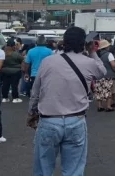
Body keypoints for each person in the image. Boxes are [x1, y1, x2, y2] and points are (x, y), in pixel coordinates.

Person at [29, 27, 106, 176]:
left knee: (43, 168)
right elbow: (102, 72)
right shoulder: (89, 63)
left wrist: (32, 112)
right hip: (76, 120)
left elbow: (35, 91)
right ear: (84, 43)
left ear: (64, 42)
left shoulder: (48, 62)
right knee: (73, 170)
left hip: (49, 120)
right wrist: (92, 51)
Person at [95, 40, 115, 112]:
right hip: (108, 75)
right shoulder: (109, 54)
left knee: (99, 90)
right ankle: (108, 106)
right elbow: (113, 65)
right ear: (106, 47)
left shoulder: (97, 55)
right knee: (108, 90)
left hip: (98, 75)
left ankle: (99, 106)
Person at [0, 38, 24, 103]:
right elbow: (22, 60)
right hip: (15, 71)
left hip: (4, 71)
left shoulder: (3, 53)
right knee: (14, 85)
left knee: (5, 85)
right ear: (13, 46)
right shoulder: (15, 54)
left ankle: (5, 97)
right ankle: (15, 98)